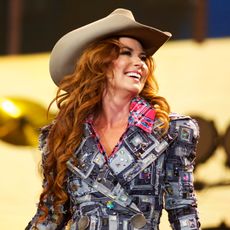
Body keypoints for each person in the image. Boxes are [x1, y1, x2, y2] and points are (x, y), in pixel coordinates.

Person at [26, 8, 200, 230]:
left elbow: (183, 211)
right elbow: (50, 215)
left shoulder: (171, 130)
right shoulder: (62, 135)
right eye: (126, 53)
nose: (140, 63)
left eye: (143, 57)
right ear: (99, 62)